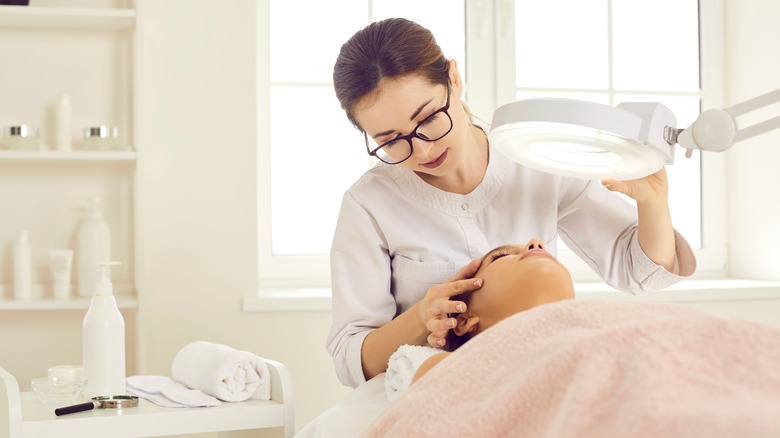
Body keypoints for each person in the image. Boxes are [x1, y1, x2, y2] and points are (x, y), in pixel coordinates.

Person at [327, 17, 696, 390]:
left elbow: (640, 271)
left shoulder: (533, 158)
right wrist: (420, 318)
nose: (422, 149)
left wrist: (653, 202)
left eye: (428, 119)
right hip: (427, 398)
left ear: (453, 79)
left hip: (539, 383)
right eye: (391, 141)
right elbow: (350, 359)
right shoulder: (368, 205)